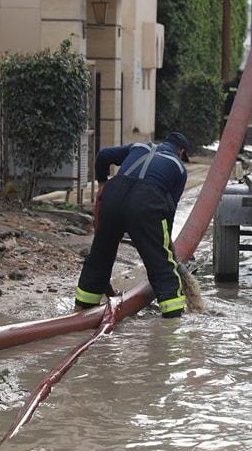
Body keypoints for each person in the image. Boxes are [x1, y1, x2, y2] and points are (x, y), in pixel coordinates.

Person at [75, 132, 191, 317]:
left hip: (113, 197)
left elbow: (103, 155)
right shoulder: (179, 168)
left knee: (100, 257)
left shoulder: (138, 147)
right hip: (146, 202)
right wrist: (163, 243)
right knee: (161, 264)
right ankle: (172, 323)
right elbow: (169, 210)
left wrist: (103, 183)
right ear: (181, 152)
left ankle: (82, 310)